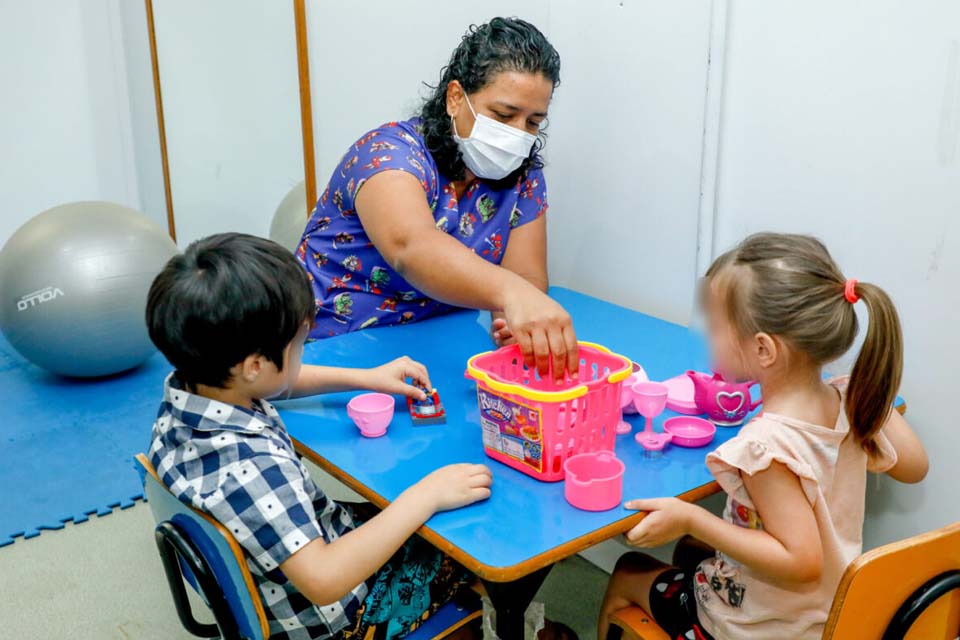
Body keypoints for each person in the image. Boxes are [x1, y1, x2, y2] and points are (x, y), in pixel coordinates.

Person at [145, 233, 492, 640]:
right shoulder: (253, 467)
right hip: (332, 614)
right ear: (255, 365)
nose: (302, 353)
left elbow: (280, 381)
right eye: (299, 344)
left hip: (284, 560)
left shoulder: (193, 389)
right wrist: (425, 495)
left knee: (407, 513)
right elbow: (325, 580)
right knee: (467, 543)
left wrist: (366, 377)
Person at [597, 233, 928, 640]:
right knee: (690, 552)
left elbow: (801, 561)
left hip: (756, 629)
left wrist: (691, 517)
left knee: (628, 570)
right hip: (832, 614)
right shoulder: (848, 400)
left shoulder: (763, 447)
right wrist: (865, 390)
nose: (708, 338)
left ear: (764, 350)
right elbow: (916, 467)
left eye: (716, 327)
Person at [296, 17, 577, 381]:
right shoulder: (388, 154)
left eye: (533, 122)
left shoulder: (522, 176)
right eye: (504, 115)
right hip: (327, 349)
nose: (518, 135)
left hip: (433, 347)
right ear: (456, 98)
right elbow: (412, 247)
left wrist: (512, 317)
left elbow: (525, 274)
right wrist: (511, 293)